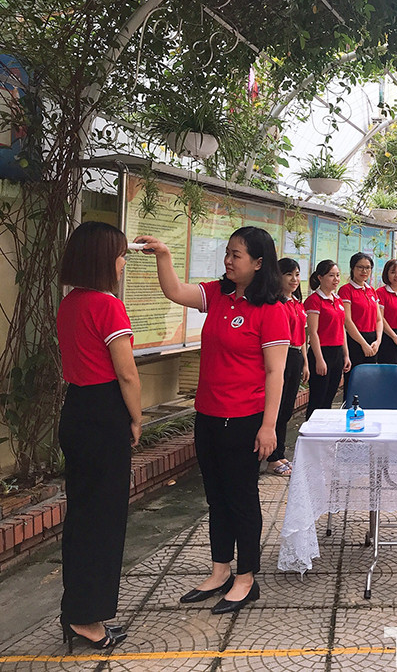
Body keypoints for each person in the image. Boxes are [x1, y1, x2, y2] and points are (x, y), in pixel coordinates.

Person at [136, 226, 289, 615]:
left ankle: (246, 578)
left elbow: (276, 373)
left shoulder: (271, 310)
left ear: (259, 263)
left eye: (237, 255)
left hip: (245, 419)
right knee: (216, 497)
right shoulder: (218, 294)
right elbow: (175, 291)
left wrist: (269, 426)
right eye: (227, 252)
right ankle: (220, 570)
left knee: (241, 498)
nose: (228, 260)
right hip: (208, 414)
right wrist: (164, 255)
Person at [56, 221, 137, 651]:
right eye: (121, 255)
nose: (123, 263)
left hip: (77, 408)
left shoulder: (70, 303)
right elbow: (126, 373)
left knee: (83, 514)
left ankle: (78, 609)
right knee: (104, 519)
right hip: (105, 412)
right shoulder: (107, 306)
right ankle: (87, 619)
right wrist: (136, 417)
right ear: (104, 260)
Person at [269, 258, 309, 476]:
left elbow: (302, 336)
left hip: (295, 356)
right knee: (276, 407)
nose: (294, 279)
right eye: (289, 274)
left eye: (297, 274)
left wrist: (305, 363)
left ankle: (280, 452)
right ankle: (271, 458)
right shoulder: (275, 304)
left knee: (286, 409)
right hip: (281, 357)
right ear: (278, 276)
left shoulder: (296, 303)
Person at [304, 260, 351, 412]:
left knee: (329, 398)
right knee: (318, 399)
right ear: (320, 277)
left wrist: (346, 355)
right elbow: (313, 332)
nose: (336, 279)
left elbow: (342, 328)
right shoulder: (314, 301)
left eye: (337, 275)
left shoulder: (337, 299)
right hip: (322, 352)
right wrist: (319, 359)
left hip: (337, 352)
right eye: (331, 275)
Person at [340, 252, 382, 395]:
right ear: (352, 268)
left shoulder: (371, 290)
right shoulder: (346, 290)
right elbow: (347, 320)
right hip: (355, 340)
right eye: (360, 267)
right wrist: (363, 344)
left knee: (369, 382)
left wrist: (378, 341)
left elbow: (378, 319)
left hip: (372, 341)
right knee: (353, 382)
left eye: (368, 268)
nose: (364, 271)